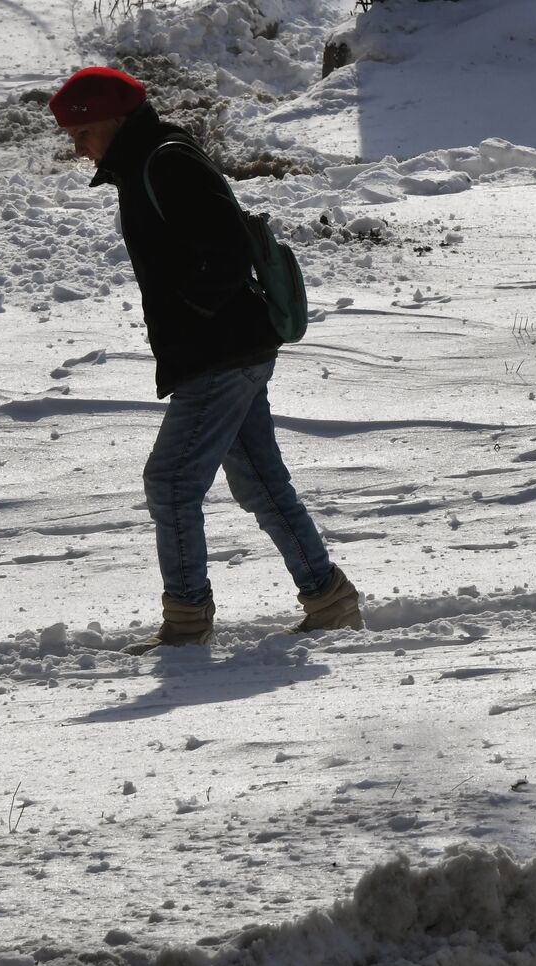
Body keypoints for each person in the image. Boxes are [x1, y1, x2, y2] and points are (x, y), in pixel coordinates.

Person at [49, 66, 362, 653]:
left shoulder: (167, 160)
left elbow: (227, 245)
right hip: (227, 348)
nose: (78, 146)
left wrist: (192, 312)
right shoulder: (145, 162)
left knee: (170, 481)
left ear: (113, 120)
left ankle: (188, 621)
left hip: (219, 352)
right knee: (261, 483)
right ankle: (329, 599)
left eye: (82, 132)